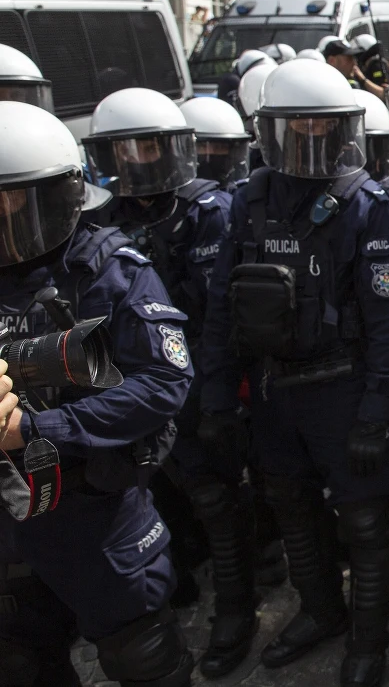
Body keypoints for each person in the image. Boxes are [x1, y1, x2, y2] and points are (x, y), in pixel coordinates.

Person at [197, 60, 389, 687]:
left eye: (326, 123)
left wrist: (378, 409)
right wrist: (216, 398)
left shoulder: (364, 207)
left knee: (366, 519)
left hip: (342, 388)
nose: (314, 134)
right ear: (273, 129)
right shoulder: (251, 200)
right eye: (300, 124)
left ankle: (369, 641)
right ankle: (321, 609)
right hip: (274, 390)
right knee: (292, 508)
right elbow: (221, 308)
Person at [0, 101, 195, 687]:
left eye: (17, 199)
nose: (6, 215)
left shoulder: (109, 270)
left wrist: (35, 430)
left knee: (143, 656)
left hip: (92, 509)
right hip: (10, 518)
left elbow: (163, 381)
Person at [83, 88, 255, 678]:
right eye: (125, 148)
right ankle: (177, 583)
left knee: (217, 498)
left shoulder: (209, 210)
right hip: (134, 387)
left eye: (151, 144)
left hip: (199, 381)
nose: (139, 158)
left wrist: (213, 396)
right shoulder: (102, 219)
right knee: (161, 496)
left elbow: (221, 313)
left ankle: (237, 607)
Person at [180, 95, 252, 188]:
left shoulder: (241, 196)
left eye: (220, 147)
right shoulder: (174, 200)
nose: (211, 153)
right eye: (202, 147)